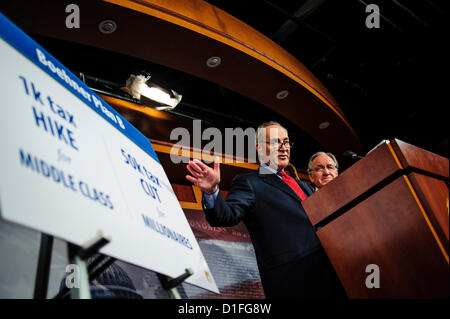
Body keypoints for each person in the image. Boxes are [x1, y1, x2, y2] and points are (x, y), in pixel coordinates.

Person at [185, 121, 345, 298]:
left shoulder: (303, 186)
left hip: (331, 273)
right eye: (276, 142)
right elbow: (225, 216)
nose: (283, 148)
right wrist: (212, 191)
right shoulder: (250, 183)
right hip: (293, 282)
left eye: (286, 142)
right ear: (260, 148)